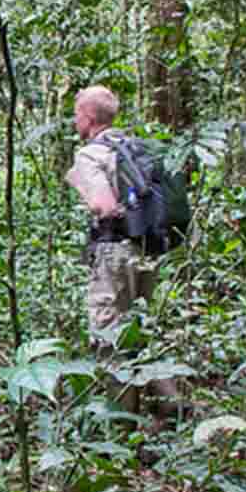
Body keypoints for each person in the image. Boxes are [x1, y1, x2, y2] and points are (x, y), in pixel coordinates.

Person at [64, 85, 182, 416]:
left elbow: (103, 205)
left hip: (114, 253)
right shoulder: (134, 146)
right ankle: (172, 407)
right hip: (147, 249)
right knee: (138, 331)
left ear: (88, 117)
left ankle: (119, 429)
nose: (75, 120)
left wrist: (97, 206)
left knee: (110, 338)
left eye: (76, 114)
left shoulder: (91, 155)